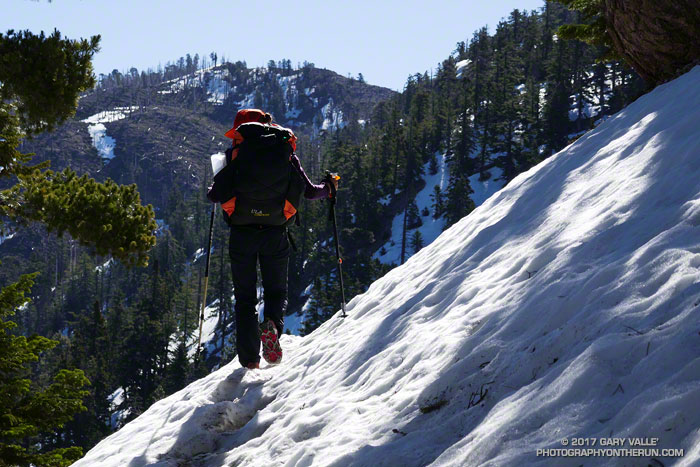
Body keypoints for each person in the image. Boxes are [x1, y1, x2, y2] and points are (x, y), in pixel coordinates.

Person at [207, 108, 337, 369]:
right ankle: (273, 328)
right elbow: (310, 192)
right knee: (276, 291)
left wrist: (215, 185)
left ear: (240, 131)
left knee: (245, 299)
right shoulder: (284, 152)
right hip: (275, 233)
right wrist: (330, 187)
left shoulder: (234, 155)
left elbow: (215, 196)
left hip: (242, 235)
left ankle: (250, 362)